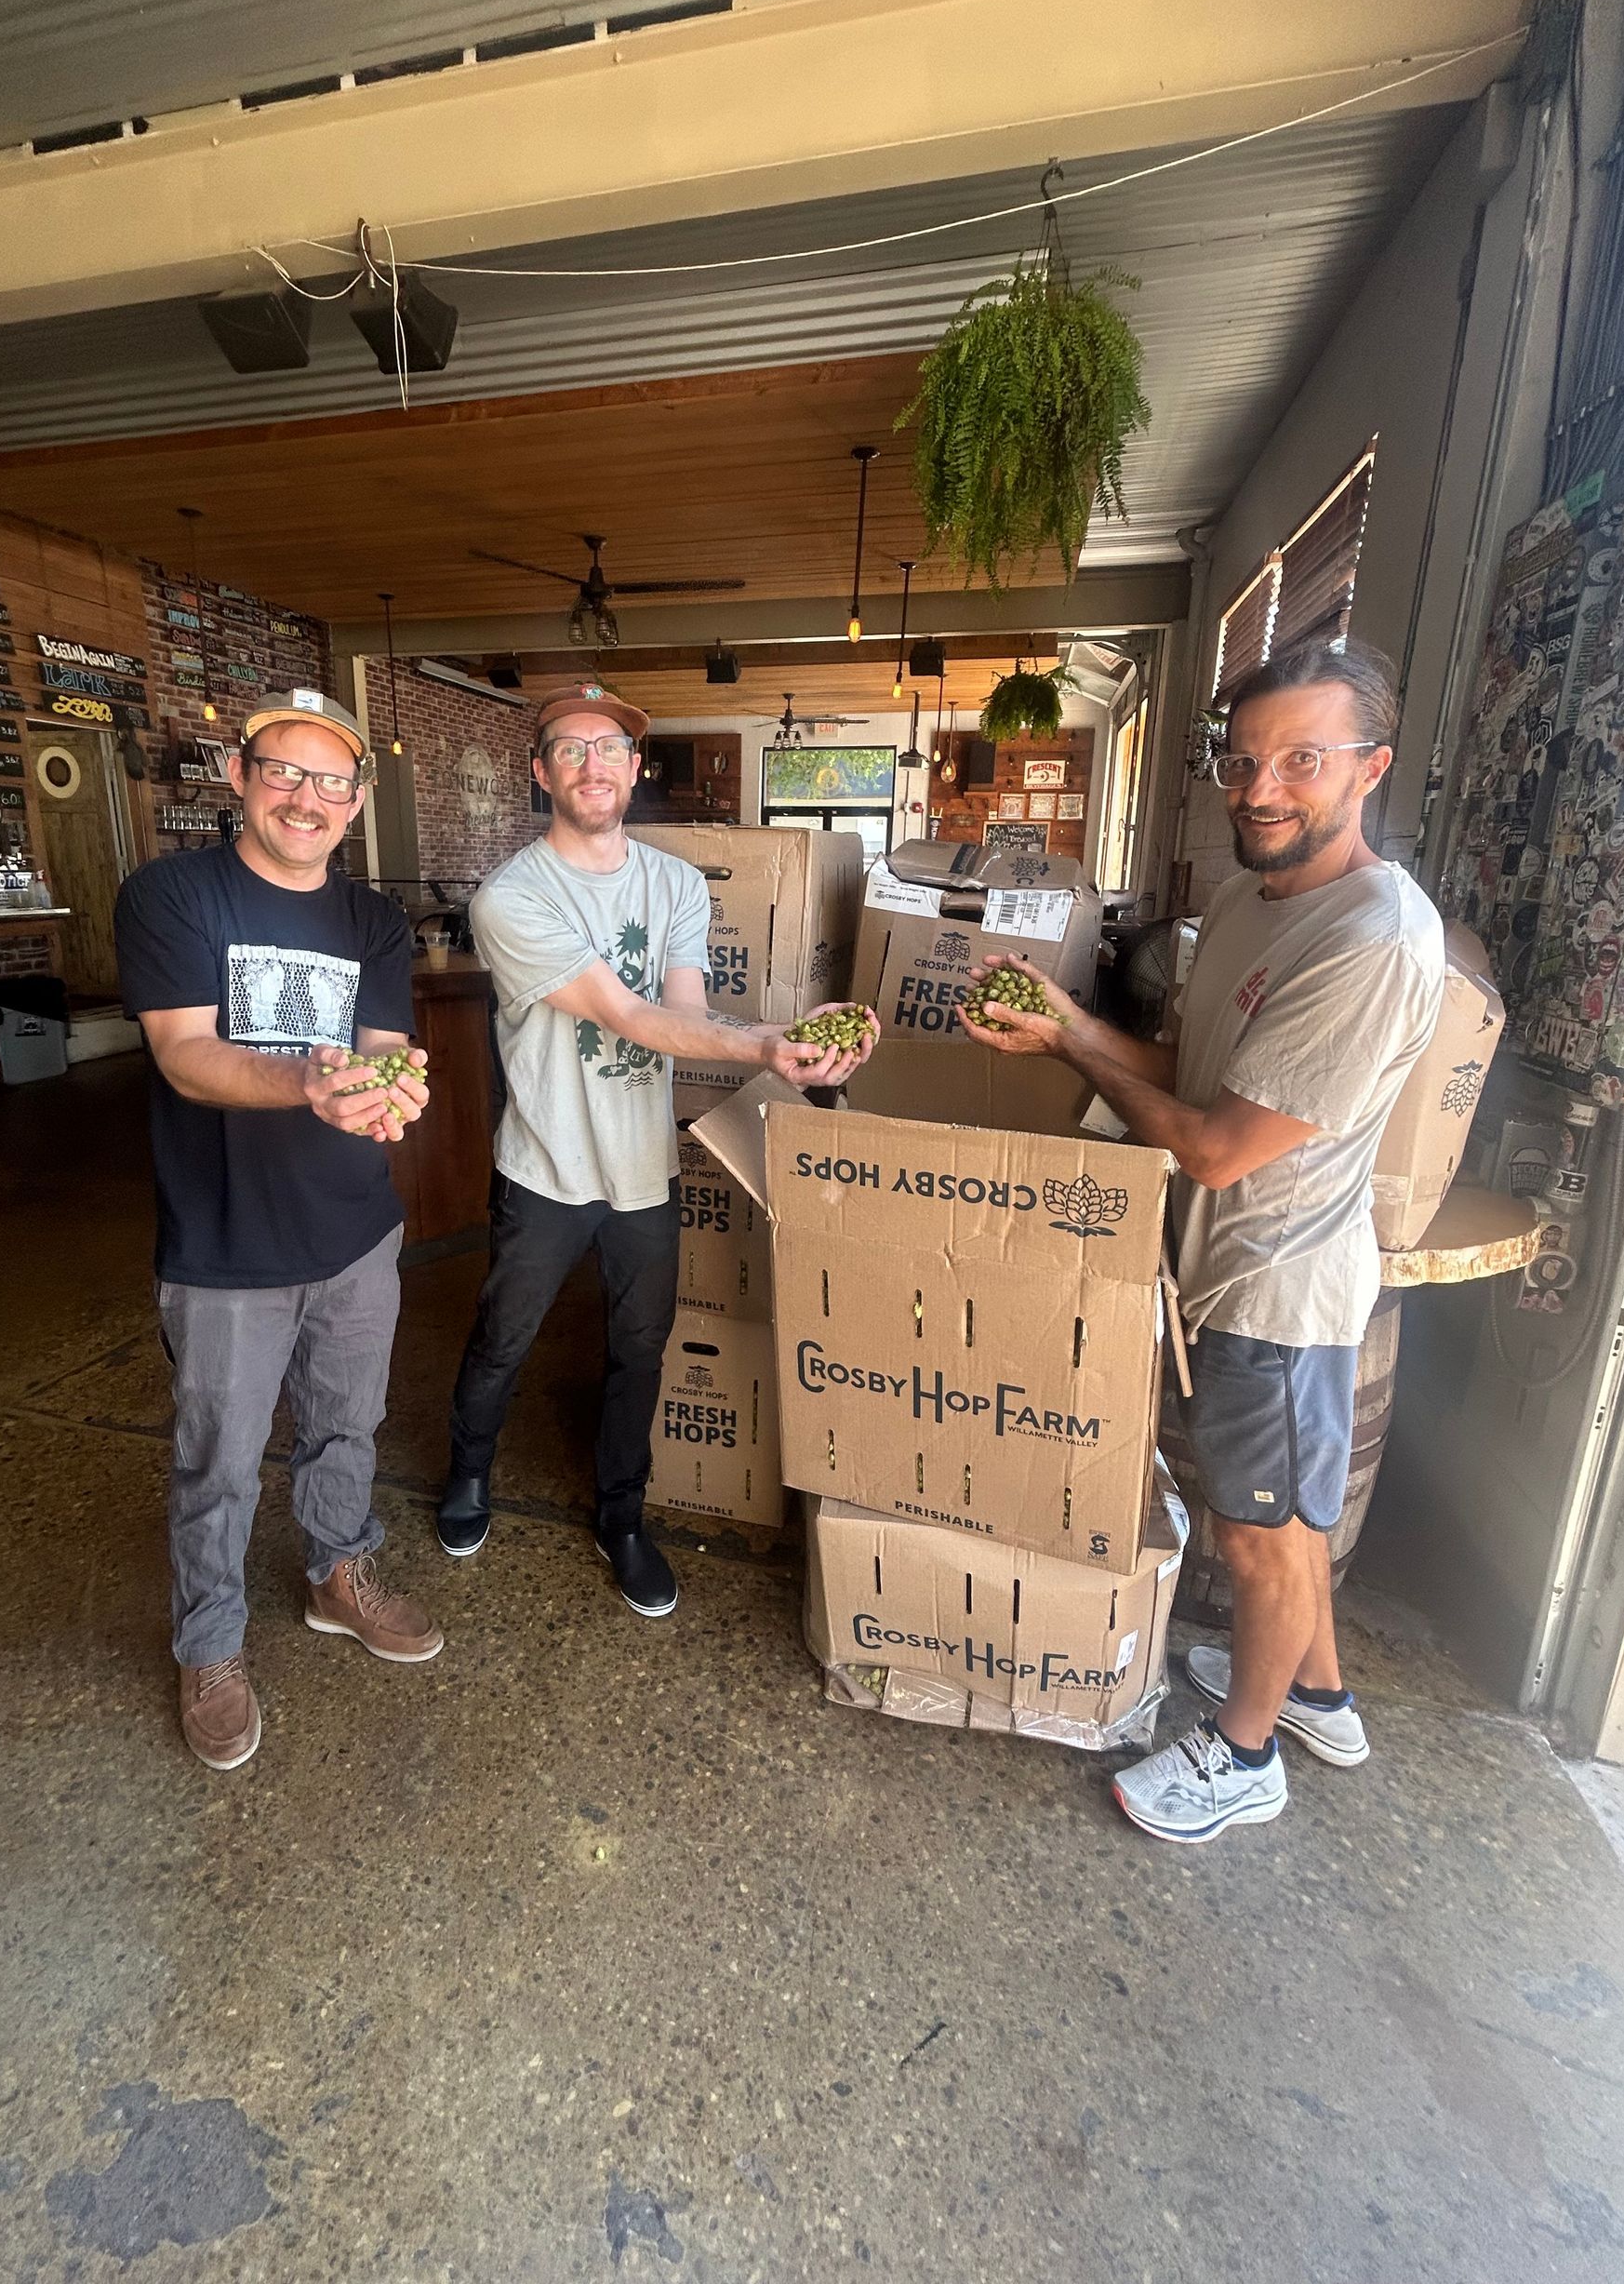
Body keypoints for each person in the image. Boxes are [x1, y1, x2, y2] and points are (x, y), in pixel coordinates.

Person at [960, 639, 1443, 1842]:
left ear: (1369, 768)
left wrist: (1073, 1051)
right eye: (1243, 759)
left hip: (1281, 1292)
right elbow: (1196, 1075)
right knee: (1285, 1522)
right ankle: (1318, 1698)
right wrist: (1071, 1021)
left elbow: (1217, 1146)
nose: (1262, 787)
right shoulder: (1249, 899)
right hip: (1227, 1268)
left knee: (1260, 1537)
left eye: (1302, 760)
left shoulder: (1373, 936)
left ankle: (1245, 1760)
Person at [442, 682, 877, 1617]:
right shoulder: (510, 897)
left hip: (645, 1167)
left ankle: (623, 1519)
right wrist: (767, 1042)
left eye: (611, 749)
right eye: (570, 749)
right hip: (546, 1164)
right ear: (540, 773)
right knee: (502, 1338)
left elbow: (680, 1019)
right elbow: (625, 1013)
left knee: (641, 1350)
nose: (593, 764)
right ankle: (468, 1474)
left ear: (636, 769)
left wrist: (787, 1037)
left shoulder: (675, 884)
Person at [115, 689, 445, 1772]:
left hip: (355, 1231)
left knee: (349, 1427)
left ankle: (336, 1574)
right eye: (284, 772)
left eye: (331, 780)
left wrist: (388, 1091)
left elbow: (385, 1048)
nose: (307, 797)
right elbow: (184, 1054)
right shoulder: (172, 896)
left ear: (357, 800)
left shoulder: (372, 923)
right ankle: (209, 1645)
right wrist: (311, 1077)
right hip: (223, 1244)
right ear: (240, 778)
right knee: (218, 1460)